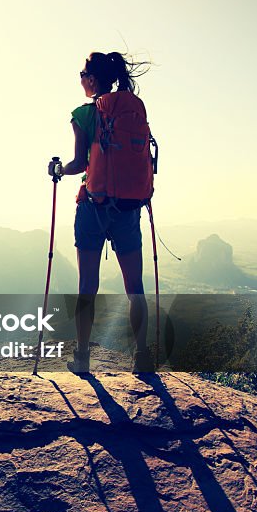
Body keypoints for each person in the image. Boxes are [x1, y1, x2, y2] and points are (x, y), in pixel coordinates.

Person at [48, 51, 154, 373]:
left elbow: (80, 163)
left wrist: (58, 169)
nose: (81, 79)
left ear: (92, 80)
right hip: (127, 209)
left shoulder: (84, 114)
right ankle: (143, 356)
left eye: (82, 74)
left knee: (87, 287)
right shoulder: (132, 109)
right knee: (134, 287)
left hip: (93, 208)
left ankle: (82, 358)